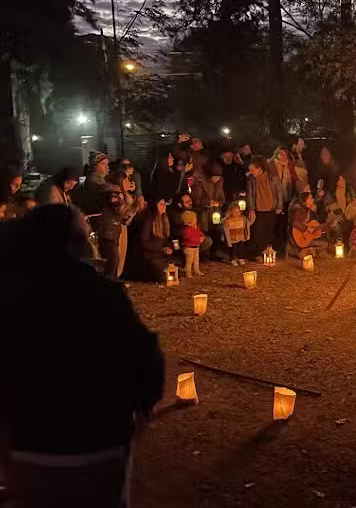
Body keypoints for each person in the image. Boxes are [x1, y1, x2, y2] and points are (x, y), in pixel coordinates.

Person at [0, 204, 164, 507]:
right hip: (98, 445)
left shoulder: (12, 296)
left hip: (28, 447)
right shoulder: (104, 295)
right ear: (72, 244)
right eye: (87, 235)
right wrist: (142, 408)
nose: (93, 241)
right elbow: (145, 356)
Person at [125, 199, 175, 281]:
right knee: (162, 275)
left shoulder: (164, 219)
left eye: (165, 204)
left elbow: (165, 239)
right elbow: (144, 243)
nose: (164, 207)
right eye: (161, 204)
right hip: (149, 256)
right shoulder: (148, 220)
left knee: (173, 269)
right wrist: (161, 249)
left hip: (160, 255)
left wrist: (169, 247)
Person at [247, 157, 283, 256]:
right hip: (259, 209)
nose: (250, 172)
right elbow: (250, 195)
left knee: (269, 230)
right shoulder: (251, 179)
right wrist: (251, 209)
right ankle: (258, 253)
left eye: (252, 170)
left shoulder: (272, 177)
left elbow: (279, 191)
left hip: (271, 207)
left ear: (260, 169)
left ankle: (268, 251)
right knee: (259, 232)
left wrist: (279, 206)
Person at [289, 191, 329, 259]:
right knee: (324, 245)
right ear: (305, 200)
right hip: (300, 238)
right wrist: (307, 228)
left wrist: (327, 225)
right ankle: (305, 251)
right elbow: (295, 222)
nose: (313, 200)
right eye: (310, 198)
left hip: (308, 238)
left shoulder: (309, 210)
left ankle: (307, 250)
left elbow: (316, 224)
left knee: (325, 244)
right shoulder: (298, 209)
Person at [193, 163, 225, 233]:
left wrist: (219, 203)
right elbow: (196, 199)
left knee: (217, 230)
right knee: (206, 231)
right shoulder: (201, 183)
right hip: (204, 212)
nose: (216, 179)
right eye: (214, 177)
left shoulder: (219, 184)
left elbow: (222, 198)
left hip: (216, 212)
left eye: (218, 177)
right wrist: (208, 202)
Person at [181, 210, 204, 278]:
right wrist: (198, 239)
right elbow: (188, 238)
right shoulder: (187, 230)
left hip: (196, 247)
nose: (196, 220)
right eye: (194, 218)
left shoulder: (196, 228)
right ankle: (188, 272)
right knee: (189, 261)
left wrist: (202, 236)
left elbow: (200, 233)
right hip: (189, 248)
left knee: (196, 260)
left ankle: (196, 270)